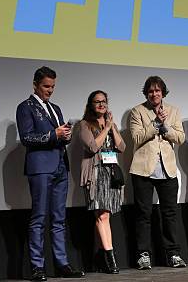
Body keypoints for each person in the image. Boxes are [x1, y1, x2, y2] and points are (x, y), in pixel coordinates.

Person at [16, 66, 85, 281]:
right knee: (38, 217)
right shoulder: (25, 107)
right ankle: (37, 267)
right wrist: (52, 134)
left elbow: (61, 137)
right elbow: (27, 138)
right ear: (35, 85)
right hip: (40, 168)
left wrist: (66, 135)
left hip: (60, 167)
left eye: (53, 86)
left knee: (59, 218)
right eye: (46, 86)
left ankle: (62, 264)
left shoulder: (55, 108)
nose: (50, 90)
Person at [129, 76, 187, 270]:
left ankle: (173, 254)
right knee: (143, 214)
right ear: (146, 93)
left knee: (170, 213)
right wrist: (154, 124)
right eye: (151, 91)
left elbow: (180, 138)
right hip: (143, 169)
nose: (154, 94)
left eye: (158, 91)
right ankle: (143, 255)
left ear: (163, 92)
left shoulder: (173, 111)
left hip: (167, 169)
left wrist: (165, 127)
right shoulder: (137, 111)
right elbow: (136, 137)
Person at [77, 90, 126, 274]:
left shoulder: (109, 124)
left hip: (111, 174)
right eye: (97, 102)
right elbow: (92, 146)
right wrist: (105, 129)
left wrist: (112, 127)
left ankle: (100, 255)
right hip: (95, 174)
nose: (101, 105)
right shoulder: (84, 125)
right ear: (91, 105)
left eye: (104, 102)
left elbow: (121, 147)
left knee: (106, 215)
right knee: (102, 215)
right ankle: (110, 258)